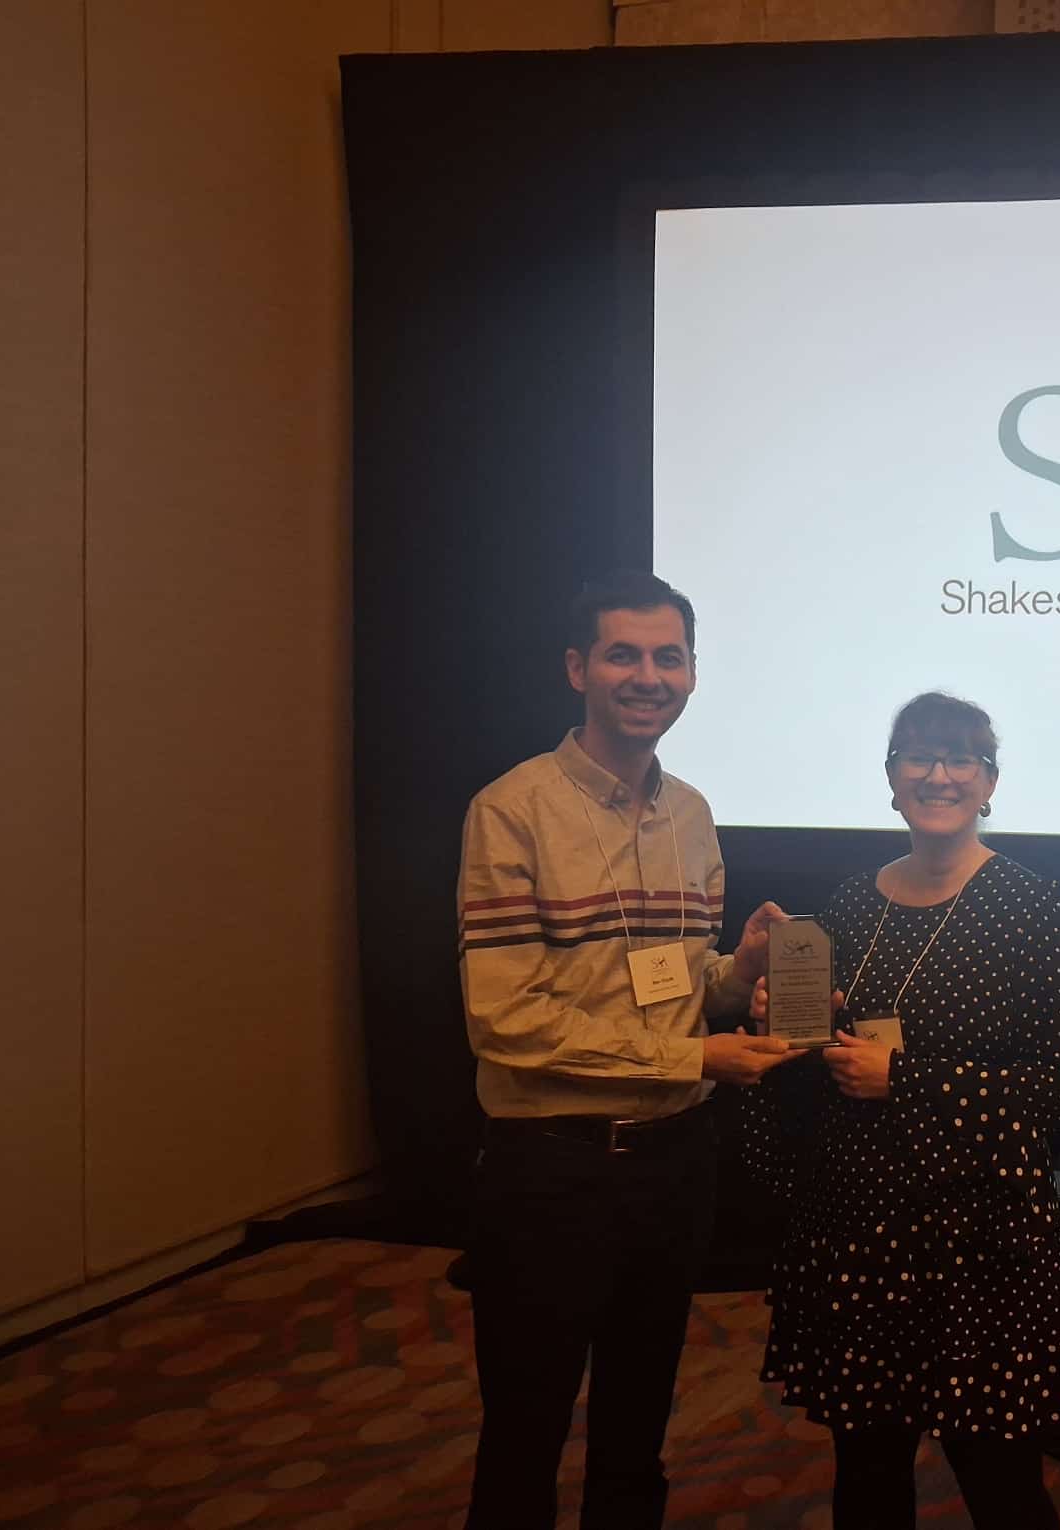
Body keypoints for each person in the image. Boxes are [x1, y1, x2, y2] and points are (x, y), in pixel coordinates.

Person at [456, 570, 795, 1529]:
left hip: (674, 1166)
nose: (649, 677)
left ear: (692, 674)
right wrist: (698, 1059)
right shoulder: (512, 810)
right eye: (623, 655)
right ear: (578, 669)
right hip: (553, 1171)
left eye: (668, 658)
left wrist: (738, 972)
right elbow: (505, 1019)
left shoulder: (691, 812)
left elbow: (679, 987)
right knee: (525, 1425)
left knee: (639, 1420)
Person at [745, 692, 1060, 1530]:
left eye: (961, 758)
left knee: (1000, 1481)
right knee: (868, 1474)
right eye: (918, 757)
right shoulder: (848, 905)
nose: (939, 775)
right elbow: (820, 1057)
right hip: (858, 1229)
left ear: (989, 783)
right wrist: (777, 1022)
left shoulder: (1036, 907)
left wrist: (905, 1079)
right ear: (891, 777)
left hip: (977, 1238)